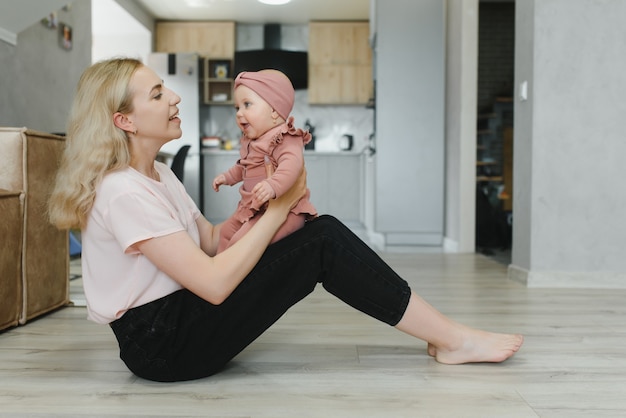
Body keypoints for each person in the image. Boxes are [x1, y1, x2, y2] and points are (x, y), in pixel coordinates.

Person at [48, 58, 523, 383]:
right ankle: (452, 339)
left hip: (179, 321)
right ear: (125, 121)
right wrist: (279, 206)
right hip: (163, 345)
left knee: (320, 233)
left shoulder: (159, 175)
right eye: (156, 93)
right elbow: (213, 285)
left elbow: (211, 241)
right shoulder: (121, 190)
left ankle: (448, 337)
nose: (173, 96)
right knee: (322, 241)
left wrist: (267, 204)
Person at [212, 69, 316, 253]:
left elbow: (291, 166)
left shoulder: (284, 137)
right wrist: (227, 177)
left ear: (274, 111)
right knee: (226, 233)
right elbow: (243, 167)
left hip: (286, 212)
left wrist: (272, 186)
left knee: (241, 243)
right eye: (237, 107)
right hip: (254, 207)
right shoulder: (252, 141)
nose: (239, 113)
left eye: (247, 104)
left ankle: (236, 275)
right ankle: (220, 268)